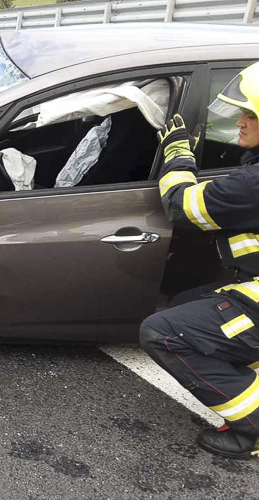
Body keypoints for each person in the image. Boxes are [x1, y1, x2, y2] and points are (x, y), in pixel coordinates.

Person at [140, 61, 259, 460]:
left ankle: (251, 430)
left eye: (251, 114)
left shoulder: (253, 186)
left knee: (163, 332)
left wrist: (176, 153)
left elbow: (181, 205)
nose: (240, 122)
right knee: (186, 303)